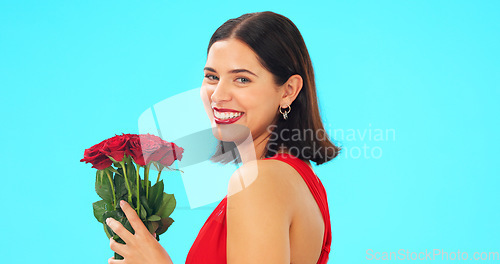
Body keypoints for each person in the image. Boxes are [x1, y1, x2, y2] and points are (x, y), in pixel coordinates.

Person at [105, 11, 341, 264]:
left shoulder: (259, 181)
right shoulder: (297, 178)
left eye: (242, 79)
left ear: (288, 91)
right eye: (212, 77)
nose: (218, 95)